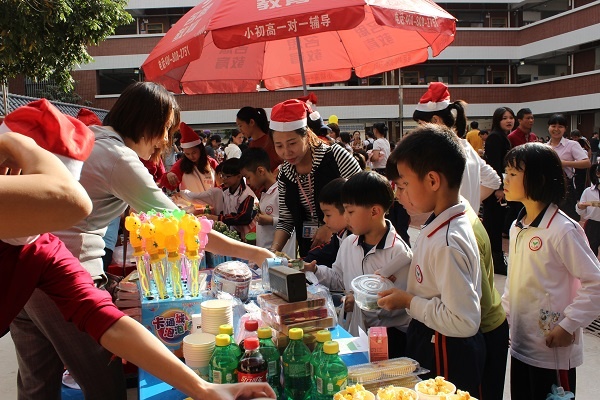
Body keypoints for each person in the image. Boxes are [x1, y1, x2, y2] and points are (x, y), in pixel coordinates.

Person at [10, 82, 276, 400]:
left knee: (36, 383)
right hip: (67, 277)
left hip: (25, 278)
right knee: (103, 383)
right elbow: (185, 228)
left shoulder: (93, 142)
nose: (165, 142)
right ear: (147, 121)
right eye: (166, 130)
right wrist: (255, 253)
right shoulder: (117, 156)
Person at [378, 124, 485, 396]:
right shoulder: (441, 223)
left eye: (404, 184)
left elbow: (463, 321)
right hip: (433, 336)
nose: (399, 193)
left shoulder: (448, 241)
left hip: (446, 347)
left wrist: (408, 301)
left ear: (433, 181)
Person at [502, 142, 600, 400]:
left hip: (552, 351)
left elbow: (596, 283)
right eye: (506, 172)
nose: (505, 179)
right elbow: (515, 283)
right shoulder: (518, 226)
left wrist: (568, 325)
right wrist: (505, 317)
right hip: (521, 345)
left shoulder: (563, 230)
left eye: (513, 173)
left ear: (540, 179)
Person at [304, 172, 412, 357]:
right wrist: (314, 270)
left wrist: (361, 300)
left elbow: (400, 305)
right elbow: (339, 279)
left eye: (351, 212)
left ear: (374, 211)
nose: (346, 218)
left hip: (390, 339)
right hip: (357, 333)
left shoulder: (398, 253)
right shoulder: (349, 243)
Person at [269, 98, 361, 257]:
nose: (286, 152)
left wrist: (329, 227)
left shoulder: (335, 157)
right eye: (279, 146)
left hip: (348, 247)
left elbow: (363, 196)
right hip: (311, 251)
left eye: (292, 143)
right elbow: (286, 220)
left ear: (307, 135)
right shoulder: (285, 174)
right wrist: (273, 251)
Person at [412, 82, 501, 211]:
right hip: (468, 219)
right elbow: (493, 180)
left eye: (421, 124)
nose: (419, 129)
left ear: (436, 120)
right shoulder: (466, 147)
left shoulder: (439, 151)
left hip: (449, 220)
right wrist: (470, 204)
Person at [239, 148, 297, 257]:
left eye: (248, 177)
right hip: (267, 255)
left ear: (261, 171)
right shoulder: (265, 193)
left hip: (281, 258)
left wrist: (271, 220)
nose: (248, 182)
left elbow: (292, 222)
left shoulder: (281, 192)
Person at [483, 106, 515, 275]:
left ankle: (495, 260)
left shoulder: (503, 137)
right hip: (496, 190)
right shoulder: (495, 137)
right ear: (497, 120)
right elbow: (494, 164)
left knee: (496, 224)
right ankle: (496, 261)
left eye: (511, 117)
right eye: (504, 118)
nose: (509, 121)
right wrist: (499, 188)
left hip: (500, 187)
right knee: (494, 225)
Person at [546, 114, 590, 221]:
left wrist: (564, 163)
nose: (556, 129)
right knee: (549, 219)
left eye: (560, 126)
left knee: (569, 219)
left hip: (566, 187)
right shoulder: (544, 147)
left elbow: (586, 163)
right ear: (548, 127)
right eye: (553, 126)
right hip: (548, 188)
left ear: (565, 129)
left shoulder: (572, 144)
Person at [303, 178, 351, 268]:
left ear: (347, 211)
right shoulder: (340, 236)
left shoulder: (358, 238)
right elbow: (321, 255)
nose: (324, 220)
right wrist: (299, 263)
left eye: (328, 215)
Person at [160, 122, 218, 193]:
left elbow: (220, 183)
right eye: (187, 154)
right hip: (188, 200)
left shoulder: (211, 162)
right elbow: (169, 183)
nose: (191, 156)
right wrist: (169, 176)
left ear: (200, 149)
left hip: (211, 200)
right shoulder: (181, 165)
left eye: (194, 152)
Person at [236, 106, 282, 172]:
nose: (240, 130)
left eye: (240, 125)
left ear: (251, 122)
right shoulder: (251, 144)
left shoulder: (271, 141)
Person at [577, 164, 600, 256]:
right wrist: (580, 206)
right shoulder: (588, 191)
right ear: (597, 173)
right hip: (593, 225)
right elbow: (581, 211)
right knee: (590, 252)